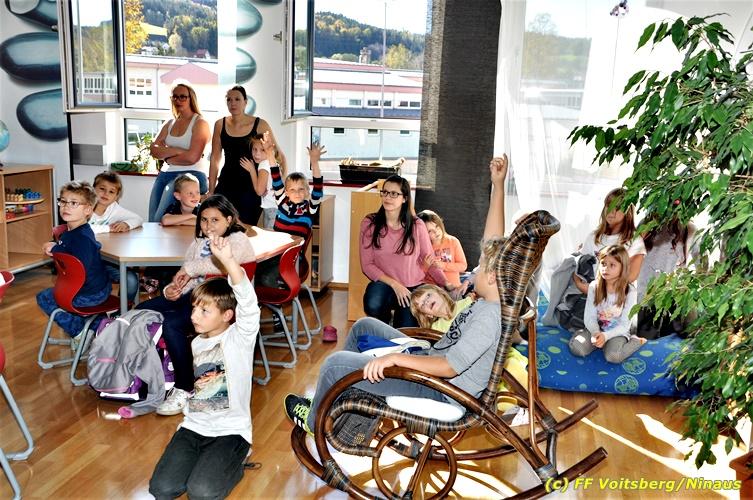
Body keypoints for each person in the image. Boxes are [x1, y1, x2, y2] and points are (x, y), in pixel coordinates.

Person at [283, 155, 510, 434]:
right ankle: (342, 404)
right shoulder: (491, 299)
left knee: (333, 364)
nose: (474, 273)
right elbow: (492, 242)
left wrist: (395, 359)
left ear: (493, 276)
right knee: (363, 326)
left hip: (436, 387)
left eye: (481, 267)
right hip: (427, 358)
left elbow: (449, 367)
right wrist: (498, 186)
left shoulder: (488, 317)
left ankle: (315, 420)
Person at [149, 233, 260, 500]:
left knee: (202, 493)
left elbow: (247, 302)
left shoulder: (239, 338)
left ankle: (238, 459)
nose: (194, 316)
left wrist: (229, 261)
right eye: (194, 309)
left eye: (204, 311)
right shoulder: (197, 343)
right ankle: (205, 462)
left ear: (227, 315)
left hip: (231, 432)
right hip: (194, 427)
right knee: (162, 489)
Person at [136, 195, 255, 416]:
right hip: (194, 296)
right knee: (140, 312)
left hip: (221, 303)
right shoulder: (199, 242)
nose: (208, 226)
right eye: (204, 220)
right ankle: (144, 376)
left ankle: (184, 386)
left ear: (229, 220)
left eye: (215, 220)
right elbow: (185, 277)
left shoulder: (238, 239)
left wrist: (190, 269)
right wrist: (171, 289)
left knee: (172, 324)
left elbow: (223, 265)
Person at [410, 283, 528, 409]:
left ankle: (534, 403)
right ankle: (518, 412)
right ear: (428, 315)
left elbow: (491, 316)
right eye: (422, 305)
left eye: (428, 295)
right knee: (501, 397)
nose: (426, 301)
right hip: (471, 367)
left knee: (515, 370)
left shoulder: (468, 303)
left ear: (440, 293)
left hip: (497, 354)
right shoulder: (435, 328)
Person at [360, 174, 451, 328]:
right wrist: (396, 285)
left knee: (404, 331)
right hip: (386, 283)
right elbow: (367, 265)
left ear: (404, 198)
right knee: (373, 303)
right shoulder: (370, 223)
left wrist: (446, 283)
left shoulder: (417, 225)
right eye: (385, 192)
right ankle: (384, 325)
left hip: (413, 287)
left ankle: (396, 324)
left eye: (394, 194)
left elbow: (429, 259)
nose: (388, 197)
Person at [36, 181, 111, 340]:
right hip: (88, 288)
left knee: (44, 297)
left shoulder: (82, 237)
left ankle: (79, 332)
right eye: (63, 201)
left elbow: (79, 264)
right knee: (51, 296)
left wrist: (56, 249)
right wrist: (56, 246)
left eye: (73, 203)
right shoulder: (71, 231)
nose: (66, 207)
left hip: (90, 293)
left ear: (88, 210)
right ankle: (97, 326)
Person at [208, 85, 287, 228]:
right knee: (219, 227)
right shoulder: (220, 124)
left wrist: (281, 188)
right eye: (229, 100)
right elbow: (214, 159)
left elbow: (278, 156)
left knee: (243, 230)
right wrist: (211, 189)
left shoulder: (260, 124)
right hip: (226, 184)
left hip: (251, 187)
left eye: (237, 99)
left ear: (245, 102)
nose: (233, 103)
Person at [253, 138, 324, 288]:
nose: (297, 193)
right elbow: (276, 177)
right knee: (250, 270)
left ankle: (278, 298)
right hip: (274, 254)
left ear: (307, 192)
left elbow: (318, 187)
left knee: (265, 279)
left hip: (292, 259)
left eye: (301, 189)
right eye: (292, 189)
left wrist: (314, 162)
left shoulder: (309, 209)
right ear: (286, 192)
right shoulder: (282, 203)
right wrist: (269, 153)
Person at [568, 245, 646, 363]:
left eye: (612, 265)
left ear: (623, 267)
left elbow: (624, 325)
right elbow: (590, 316)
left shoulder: (630, 291)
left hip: (617, 332)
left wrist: (606, 336)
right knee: (577, 348)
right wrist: (595, 333)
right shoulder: (594, 287)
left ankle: (636, 341)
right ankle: (590, 338)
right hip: (595, 329)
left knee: (613, 356)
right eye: (603, 264)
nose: (605, 268)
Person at [148, 82, 211, 222]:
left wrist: (167, 156)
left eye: (183, 97)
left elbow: (192, 157)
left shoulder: (200, 123)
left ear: (191, 98)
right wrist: (177, 151)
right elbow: (154, 150)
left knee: (160, 219)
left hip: (191, 176)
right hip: (165, 174)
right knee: (152, 220)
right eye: (175, 97)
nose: (178, 100)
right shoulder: (169, 123)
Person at [573, 187, 646, 294]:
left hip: (619, 300)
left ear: (628, 212)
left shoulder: (634, 241)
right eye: (608, 205)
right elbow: (580, 269)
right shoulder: (593, 237)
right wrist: (580, 285)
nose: (611, 211)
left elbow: (630, 277)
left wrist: (596, 291)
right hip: (591, 299)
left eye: (617, 207)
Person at [636, 214, 697, 338]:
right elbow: (633, 255)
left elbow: (702, 264)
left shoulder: (689, 228)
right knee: (646, 343)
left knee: (687, 338)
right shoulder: (646, 223)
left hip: (677, 296)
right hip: (648, 297)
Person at [89, 170, 143, 302]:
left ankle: (121, 310)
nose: (106, 194)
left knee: (131, 280)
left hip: (106, 260)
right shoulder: (85, 206)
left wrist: (126, 224)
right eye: (102, 189)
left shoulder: (114, 208)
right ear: (93, 189)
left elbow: (138, 219)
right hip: (86, 262)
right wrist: (108, 228)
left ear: (116, 197)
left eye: (111, 192)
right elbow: (84, 229)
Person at [240, 133, 286, 229]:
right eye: (254, 149)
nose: (257, 153)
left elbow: (259, 191)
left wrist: (252, 170)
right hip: (277, 209)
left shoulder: (264, 164)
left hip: (273, 210)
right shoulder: (272, 163)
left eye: (262, 150)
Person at [417, 209, 467, 289]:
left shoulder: (453, 241)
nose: (436, 232)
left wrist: (443, 265)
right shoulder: (422, 248)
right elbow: (417, 276)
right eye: (430, 231)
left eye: (437, 226)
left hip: (454, 288)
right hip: (433, 289)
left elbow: (463, 266)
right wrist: (425, 267)